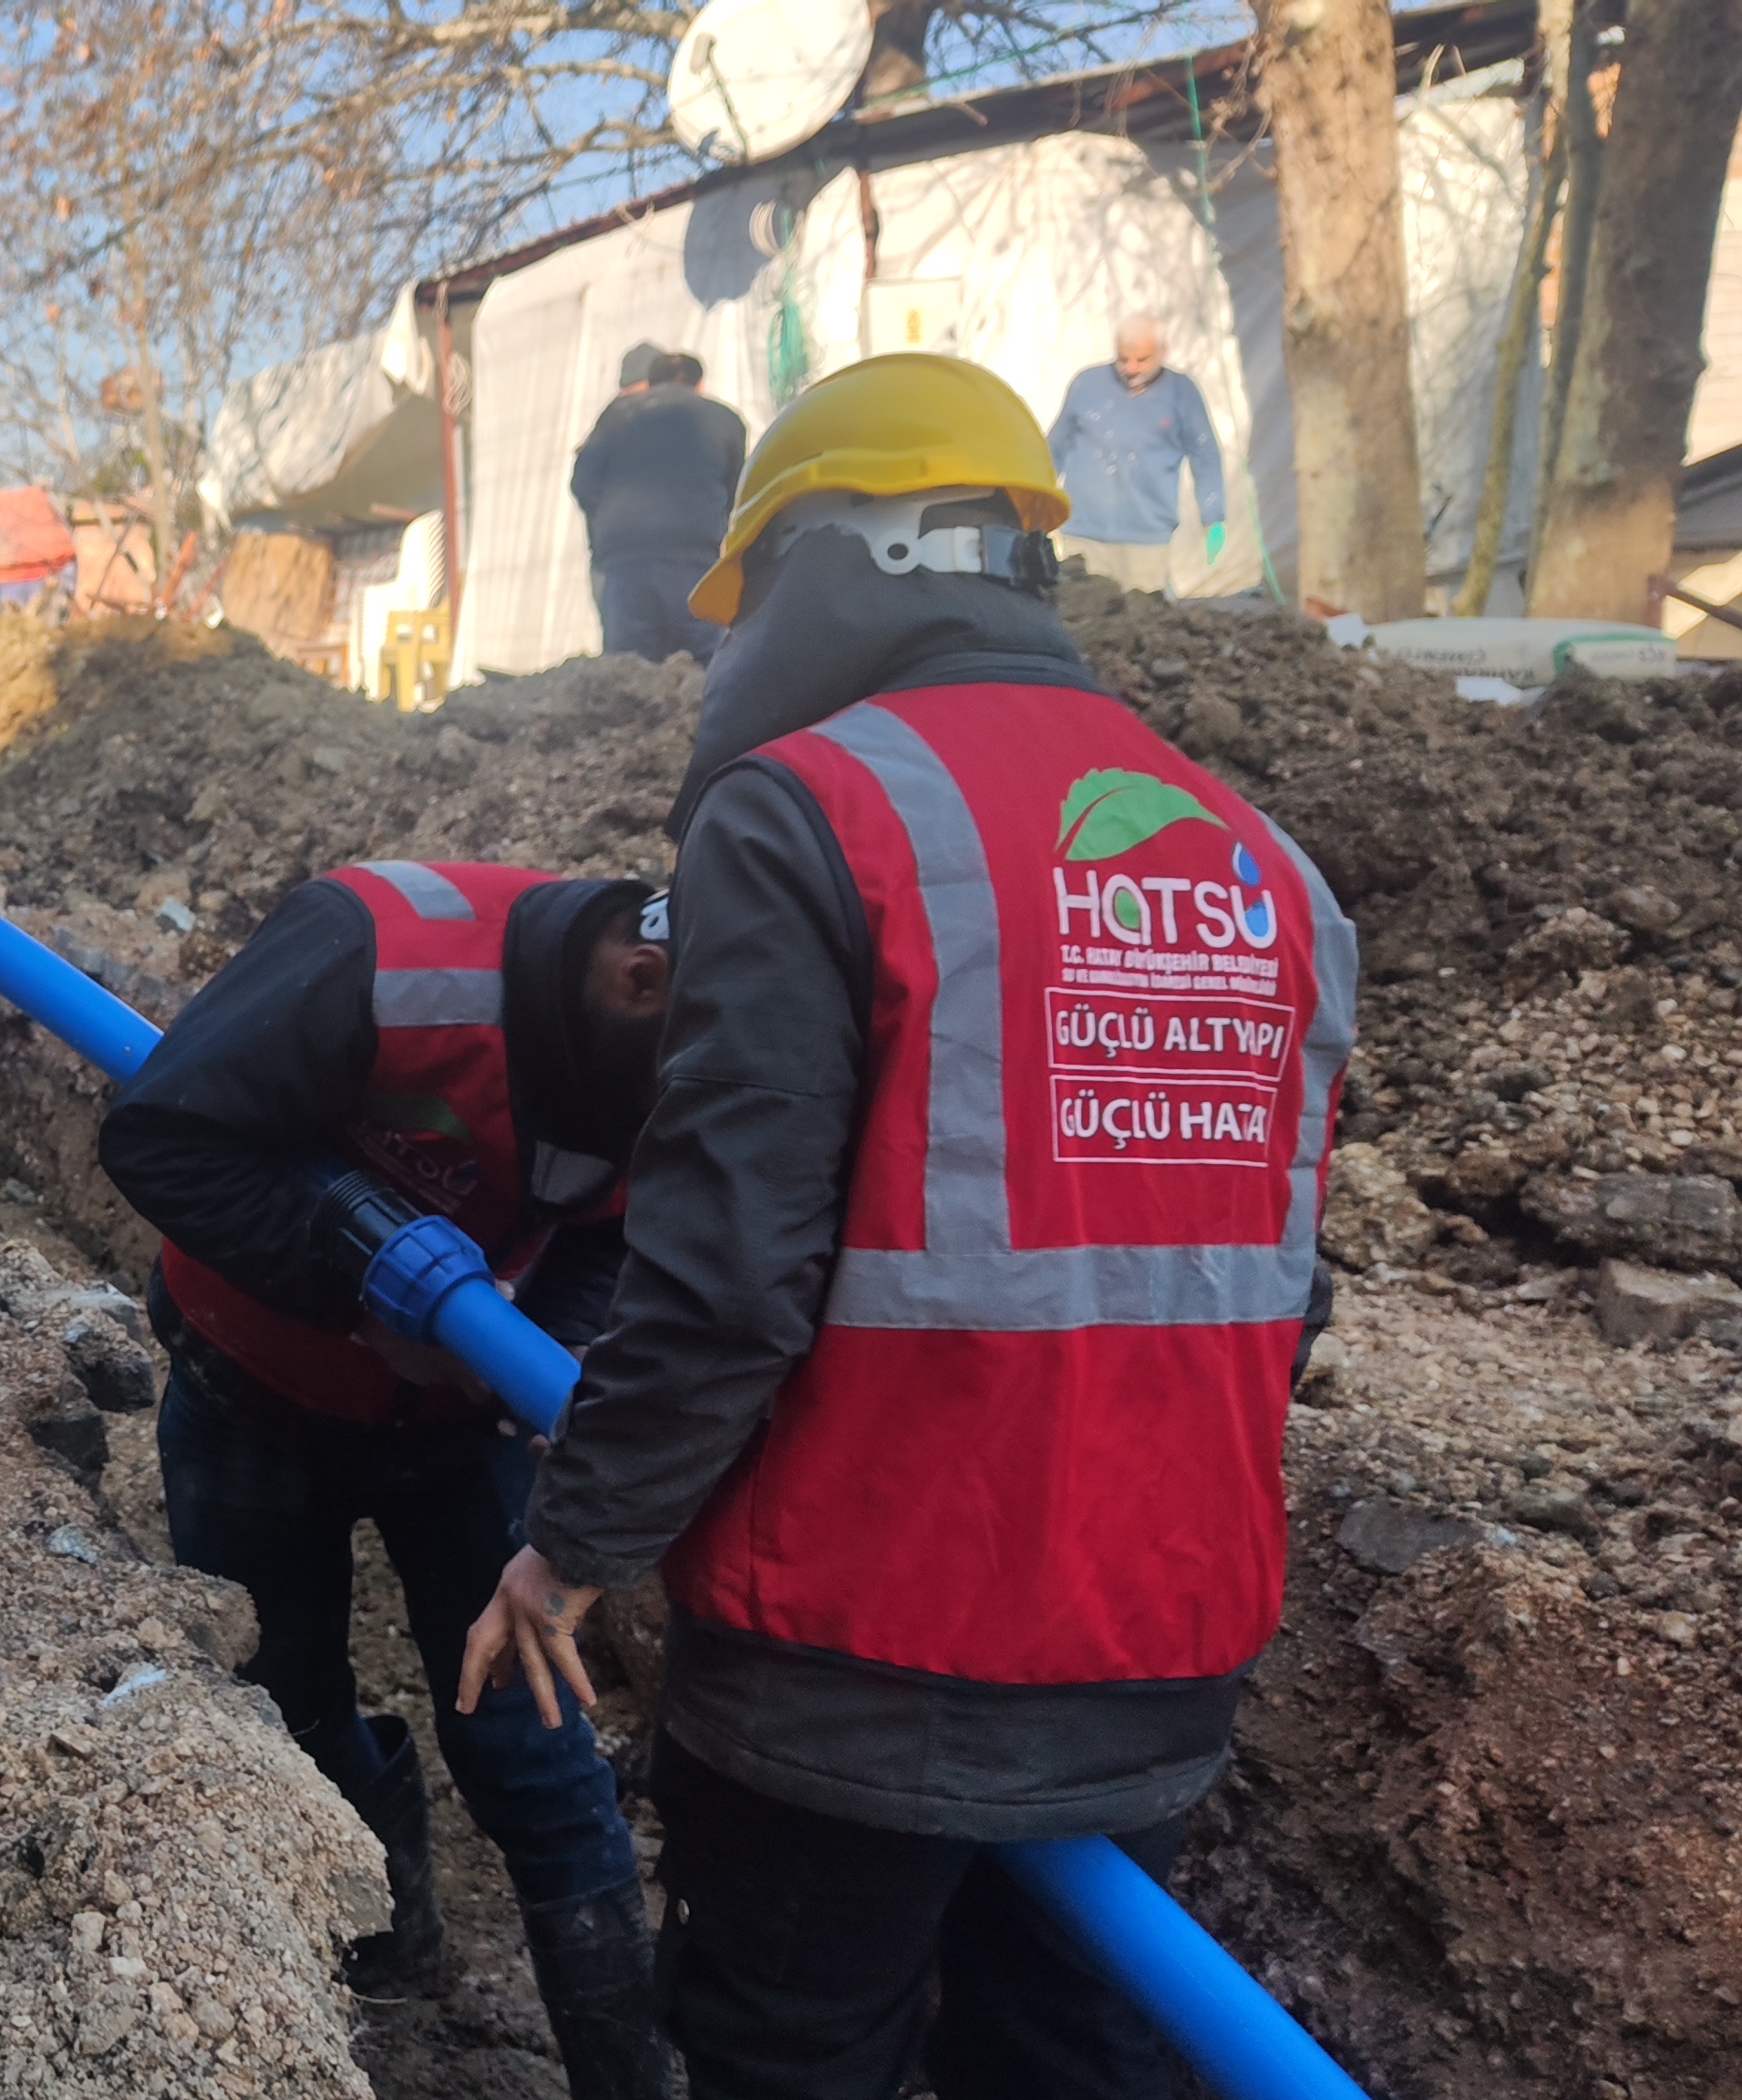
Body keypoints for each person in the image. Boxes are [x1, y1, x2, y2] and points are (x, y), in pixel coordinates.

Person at [458, 352, 1355, 2099]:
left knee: (794, 2054)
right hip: (1154, 1652)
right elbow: (1276, 1298)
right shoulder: (1270, 868)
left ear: (837, 559)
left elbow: (724, 1274)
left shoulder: (810, 810)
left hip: (854, 1658)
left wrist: (566, 1544)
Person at [98, 861, 675, 2100]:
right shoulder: (380, 951)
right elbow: (160, 1134)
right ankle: (384, 1926)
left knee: (539, 1754)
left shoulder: (691, 1052)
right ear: (641, 977)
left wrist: (553, 1355)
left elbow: (611, 1232)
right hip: (252, 1385)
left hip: (457, 1425)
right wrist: (361, 1283)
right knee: (285, 1708)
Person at [572, 350, 750, 663]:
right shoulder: (726, 420)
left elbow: (583, 483)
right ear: (700, 385)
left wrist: (611, 524)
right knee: (705, 668)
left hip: (626, 563)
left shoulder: (617, 416)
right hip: (693, 562)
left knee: (628, 672)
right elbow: (737, 491)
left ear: (651, 383)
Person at [1044, 315, 1228, 597]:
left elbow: (1205, 455)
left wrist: (1213, 516)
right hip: (1085, 533)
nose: (1130, 369)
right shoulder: (1087, 384)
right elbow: (1054, 449)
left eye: (1142, 360)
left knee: (1144, 621)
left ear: (1163, 352)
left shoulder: (1181, 392)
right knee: (1085, 619)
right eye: (1123, 359)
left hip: (1147, 537)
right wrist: (1034, 503)